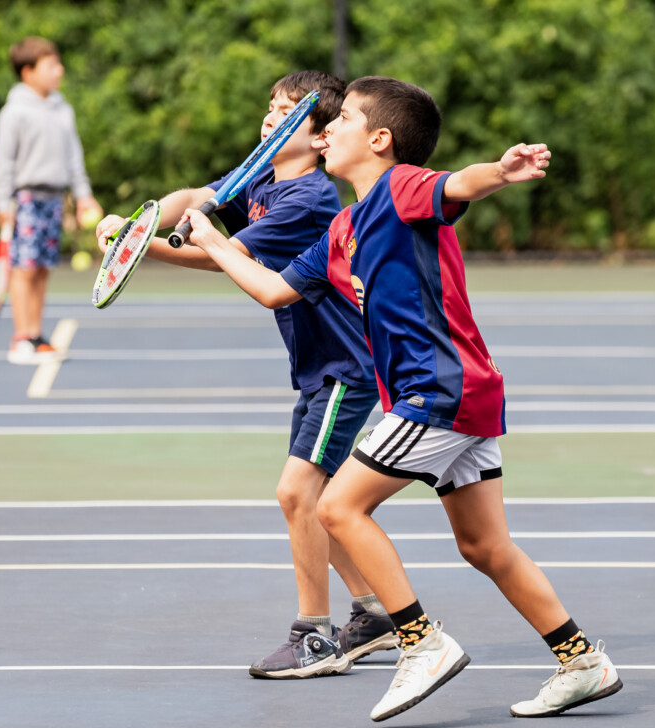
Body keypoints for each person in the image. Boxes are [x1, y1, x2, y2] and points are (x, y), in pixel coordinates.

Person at [183, 76, 621, 720]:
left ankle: (420, 643)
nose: (325, 130)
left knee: (335, 506)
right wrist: (218, 245)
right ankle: (582, 660)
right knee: (485, 548)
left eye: (343, 121)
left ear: (380, 139)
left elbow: (459, 183)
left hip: (437, 392)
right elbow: (275, 290)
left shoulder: (401, 188)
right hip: (462, 395)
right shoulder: (342, 230)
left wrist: (499, 172)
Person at [95, 71, 399, 679]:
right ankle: (374, 613)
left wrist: (135, 243)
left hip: (348, 366)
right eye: (271, 106)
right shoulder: (260, 177)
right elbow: (190, 196)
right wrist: (153, 215)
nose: (271, 117)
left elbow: (224, 257)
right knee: (321, 502)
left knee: (297, 494)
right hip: (318, 367)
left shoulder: (308, 200)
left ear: (318, 138)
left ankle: (314, 636)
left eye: (289, 112)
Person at [0, 36, 103, 364]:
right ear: (28, 72)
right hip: (23, 202)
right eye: (51, 65)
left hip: (54, 201)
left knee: (41, 270)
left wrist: (83, 197)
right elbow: (3, 163)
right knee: (24, 270)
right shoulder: (13, 112)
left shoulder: (62, 109)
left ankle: (36, 337)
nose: (59, 70)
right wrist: (2, 204)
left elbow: (73, 158)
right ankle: (21, 338)